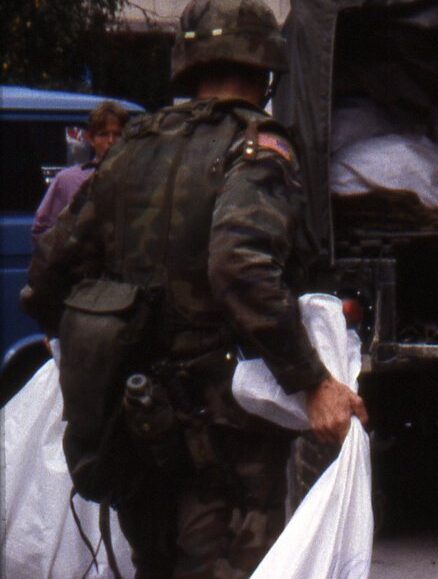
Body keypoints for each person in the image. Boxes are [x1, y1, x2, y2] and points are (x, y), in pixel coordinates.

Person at [20, 0, 366, 576]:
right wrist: (312, 381)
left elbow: (45, 279)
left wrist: (99, 355)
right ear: (265, 67)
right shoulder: (257, 146)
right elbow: (240, 266)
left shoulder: (131, 147)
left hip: (136, 423)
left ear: (188, 63)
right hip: (224, 438)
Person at [30, 100, 129, 244]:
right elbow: (41, 232)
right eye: (103, 134)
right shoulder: (67, 180)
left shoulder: (138, 178)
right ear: (90, 138)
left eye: (117, 134)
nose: (111, 141)